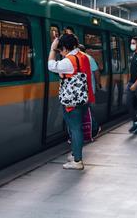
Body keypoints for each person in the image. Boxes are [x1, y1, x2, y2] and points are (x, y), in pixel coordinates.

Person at [48, 33, 94, 170]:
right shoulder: (83, 57)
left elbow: (51, 65)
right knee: (75, 128)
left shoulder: (69, 60)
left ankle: (77, 161)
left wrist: (52, 49)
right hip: (84, 99)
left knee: (75, 129)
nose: (60, 53)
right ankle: (75, 154)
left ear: (65, 48)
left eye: (60, 50)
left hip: (72, 102)